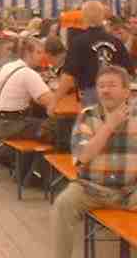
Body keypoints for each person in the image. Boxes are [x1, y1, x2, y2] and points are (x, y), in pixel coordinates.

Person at [51, 66, 137, 258]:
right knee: (63, 204)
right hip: (91, 189)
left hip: (131, 191)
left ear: (127, 91)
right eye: (101, 86)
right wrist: (109, 125)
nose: (105, 90)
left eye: (112, 85)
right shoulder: (88, 115)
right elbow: (82, 157)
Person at [0, 38, 54, 181]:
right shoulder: (28, 73)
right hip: (11, 124)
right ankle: (33, 175)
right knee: (54, 130)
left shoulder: (9, 66)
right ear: (28, 53)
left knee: (37, 124)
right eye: (39, 52)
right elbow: (50, 101)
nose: (42, 57)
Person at [50, 1, 133, 110]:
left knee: (93, 120)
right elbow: (128, 72)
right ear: (103, 17)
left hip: (91, 93)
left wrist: (54, 101)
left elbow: (68, 76)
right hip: (115, 93)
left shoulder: (78, 42)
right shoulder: (116, 42)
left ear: (84, 17)